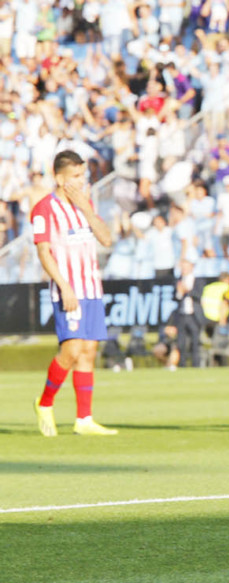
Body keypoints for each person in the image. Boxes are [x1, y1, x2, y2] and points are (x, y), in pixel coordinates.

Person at [31, 150, 118, 436]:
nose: (82, 182)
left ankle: (84, 419)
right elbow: (44, 253)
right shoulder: (44, 208)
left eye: (84, 176)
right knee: (71, 349)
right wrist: (64, 286)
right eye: (76, 177)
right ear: (59, 178)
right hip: (67, 289)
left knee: (89, 351)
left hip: (91, 288)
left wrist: (88, 210)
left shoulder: (85, 204)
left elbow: (106, 239)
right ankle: (45, 403)